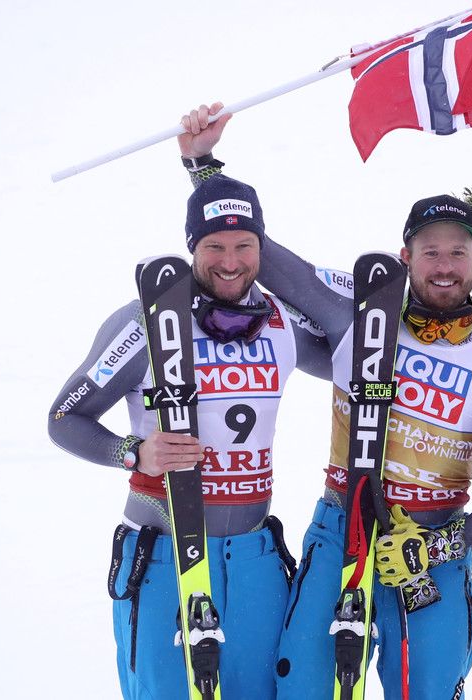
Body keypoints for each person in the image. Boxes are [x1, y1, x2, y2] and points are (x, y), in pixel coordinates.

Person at [179, 103, 472, 699]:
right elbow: (257, 256)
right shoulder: (357, 318)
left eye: (457, 253)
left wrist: (443, 545)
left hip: (432, 546)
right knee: (305, 687)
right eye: (430, 252)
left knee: (428, 690)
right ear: (405, 257)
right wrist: (203, 168)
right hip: (342, 526)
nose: (443, 267)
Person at [47, 176, 334, 700]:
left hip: (255, 562)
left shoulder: (281, 324)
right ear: (191, 247)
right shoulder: (145, 322)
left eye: (245, 245)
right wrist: (133, 452)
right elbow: (64, 418)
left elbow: (355, 353)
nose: (231, 261)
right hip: (162, 557)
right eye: (214, 246)